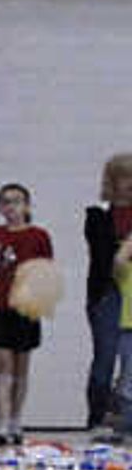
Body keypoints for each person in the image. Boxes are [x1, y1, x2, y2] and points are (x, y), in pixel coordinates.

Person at [0, 183, 52, 447]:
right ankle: (2, 422)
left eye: (17, 201)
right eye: (6, 202)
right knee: (2, 363)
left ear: (27, 206)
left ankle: (17, 420)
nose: (11, 207)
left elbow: (46, 271)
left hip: (26, 309)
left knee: (21, 365)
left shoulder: (39, 235)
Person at [85, 153, 132, 440]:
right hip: (107, 292)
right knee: (105, 357)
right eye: (124, 177)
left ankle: (126, 417)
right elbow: (103, 255)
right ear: (112, 180)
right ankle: (98, 414)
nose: (129, 184)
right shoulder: (98, 213)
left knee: (130, 359)